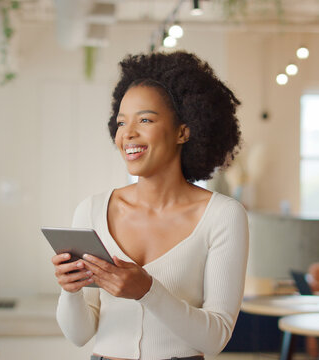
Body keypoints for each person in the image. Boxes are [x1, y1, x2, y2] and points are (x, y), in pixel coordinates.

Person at [52, 51, 248, 360]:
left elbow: (216, 338)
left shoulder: (222, 215)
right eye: (121, 123)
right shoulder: (90, 211)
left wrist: (148, 291)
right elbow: (80, 335)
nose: (127, 134)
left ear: (184, 131)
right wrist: (70, 291)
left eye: (145, 119)